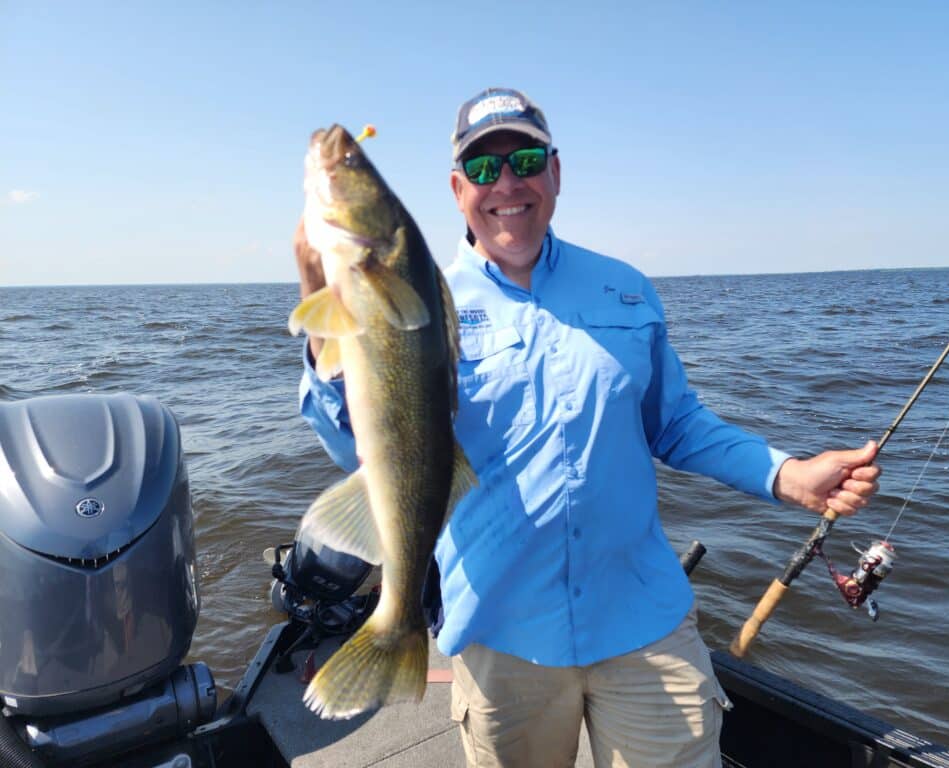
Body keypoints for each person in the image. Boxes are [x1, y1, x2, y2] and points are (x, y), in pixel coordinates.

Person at [295, 87, 881, 768]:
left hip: (644, 623)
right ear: (457, 189)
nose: (506, 183)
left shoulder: (626, 290)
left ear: (557, 173)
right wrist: (320, 312)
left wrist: (785, 474)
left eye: (525, 160)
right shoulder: (425, 301)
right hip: (501, 634)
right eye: (483, 169)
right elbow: (354, 449)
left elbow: (679, 424)